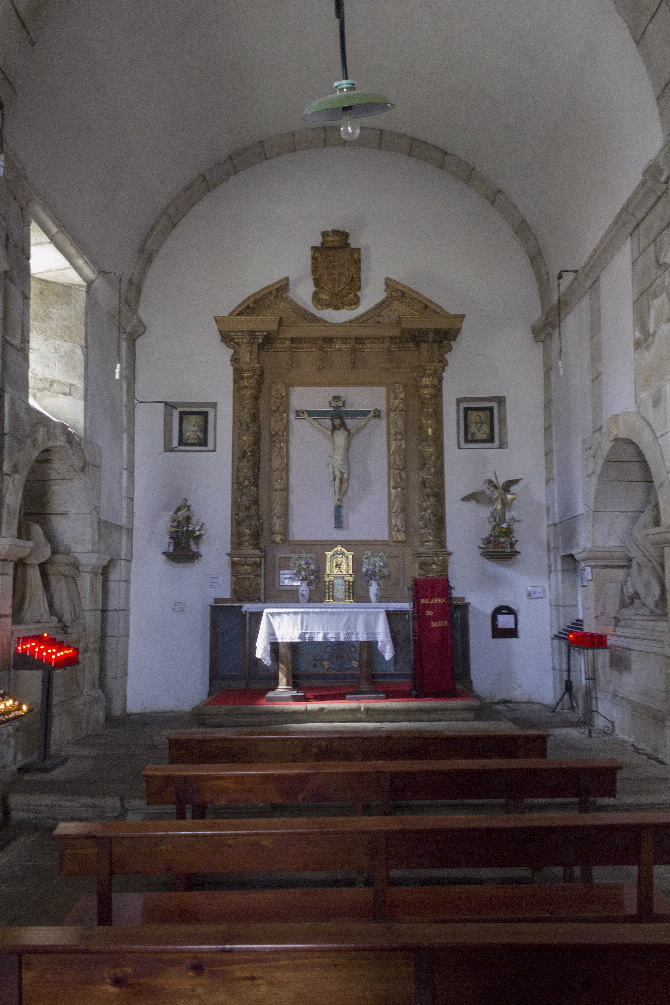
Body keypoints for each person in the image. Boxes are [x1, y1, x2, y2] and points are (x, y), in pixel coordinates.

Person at [298, 408, 380, 507]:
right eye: (334, 422)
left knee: (345, 479)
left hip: (345, 460)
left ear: (341, 421)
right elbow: (318, 426)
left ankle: (340, 498)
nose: (336, 423)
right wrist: (306, 417)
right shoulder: (332, 433)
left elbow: (361, 424)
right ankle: (337, 497)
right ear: (333, 423)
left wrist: (371, 415)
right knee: (339, 477)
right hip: (336, 459)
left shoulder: (349, 433)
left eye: (338, 421)